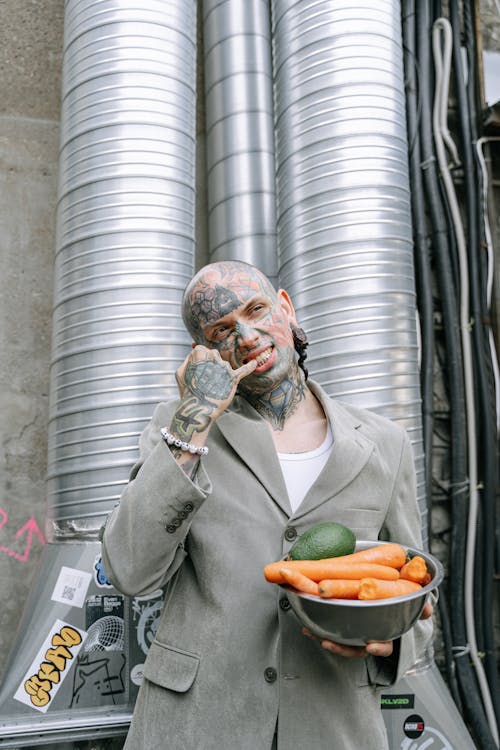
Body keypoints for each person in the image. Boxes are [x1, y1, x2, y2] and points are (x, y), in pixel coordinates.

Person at [101, 259, 433, 750]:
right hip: (198, 724)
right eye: (221, 331)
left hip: (332, 721)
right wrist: (194, 419)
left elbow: (418, 591)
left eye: (256, 310)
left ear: (285, 307)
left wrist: (392, 642)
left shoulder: (383, 443)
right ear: (205, 353)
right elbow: (129, 570)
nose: (248, 335)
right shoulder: (181, 429)